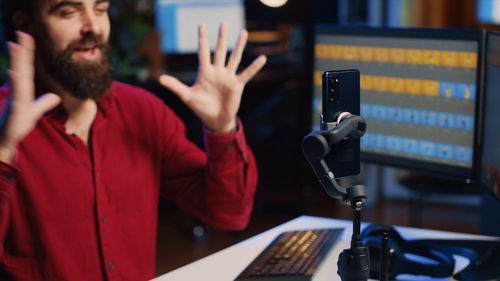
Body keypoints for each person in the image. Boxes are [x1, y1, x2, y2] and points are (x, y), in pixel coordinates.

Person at [0, 0, 266, 280]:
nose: (93, 27)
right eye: (69, 12)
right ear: (25, 25)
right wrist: (4, 150)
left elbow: (228, 213)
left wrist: (221, 128)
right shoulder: (5, 124)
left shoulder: (143, 111)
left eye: (100, 9)